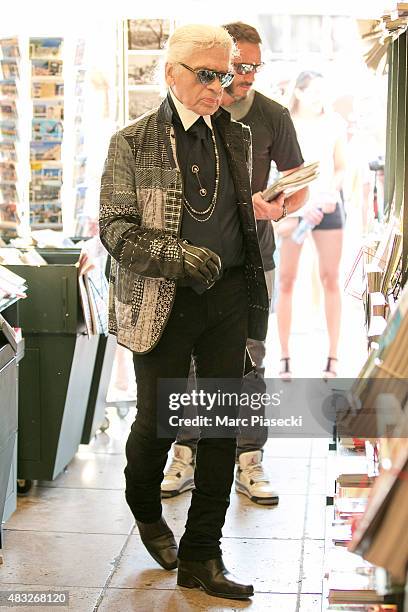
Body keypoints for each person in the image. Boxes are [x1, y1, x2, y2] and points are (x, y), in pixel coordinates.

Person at [99, 24, 286, 600]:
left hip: (229, 297)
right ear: (171, 72)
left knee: (224, 428)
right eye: (207, 74)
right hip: (163, 303)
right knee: (159, 423)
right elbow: (114, 228)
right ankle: (145, 511)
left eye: (226, 75)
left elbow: (230, 213)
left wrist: (258, 211)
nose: (219, 86)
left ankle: (204, 553)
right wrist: (177, 255)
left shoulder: (237, 135)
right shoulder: (132, 141)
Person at [161, 22, 307, 505]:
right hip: (191, 264)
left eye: (252, 68)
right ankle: (185, 452)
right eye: (237, 67)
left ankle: (250, 459)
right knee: (188, 364)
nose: (245, 76)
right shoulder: (184, 118)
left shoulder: (270, 115)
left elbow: (298, 181)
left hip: (252, 261)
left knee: (248, 361)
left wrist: (280, 208)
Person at [276, 70, 347, 379]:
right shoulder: (285, 122)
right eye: (314, 91)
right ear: (300, 92)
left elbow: (342, 166)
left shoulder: (334, 124)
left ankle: (333, 357)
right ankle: (285, 357)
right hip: (294, 208)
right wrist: (293, 206)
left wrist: (331, 193)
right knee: (287, 280)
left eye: (323, 91)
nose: (320, 97)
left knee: (331, 278)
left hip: (327, 207)